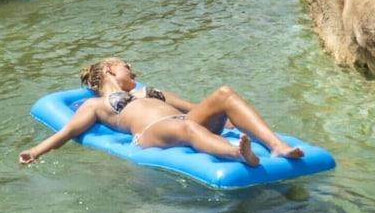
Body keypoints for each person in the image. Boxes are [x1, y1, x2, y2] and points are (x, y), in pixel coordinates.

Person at [19, 57, 304, 167]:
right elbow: (67, 131)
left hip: (180, 122)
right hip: (150, 133)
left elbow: (195, 109)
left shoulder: (152, 91)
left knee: (224, 94)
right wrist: (35, 151)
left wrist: (228, 119)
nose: (132, 69)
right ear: (108, 67)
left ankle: (276, 146)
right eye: (126, 64)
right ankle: (238, 155)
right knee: (188, 128)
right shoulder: (96, 105)